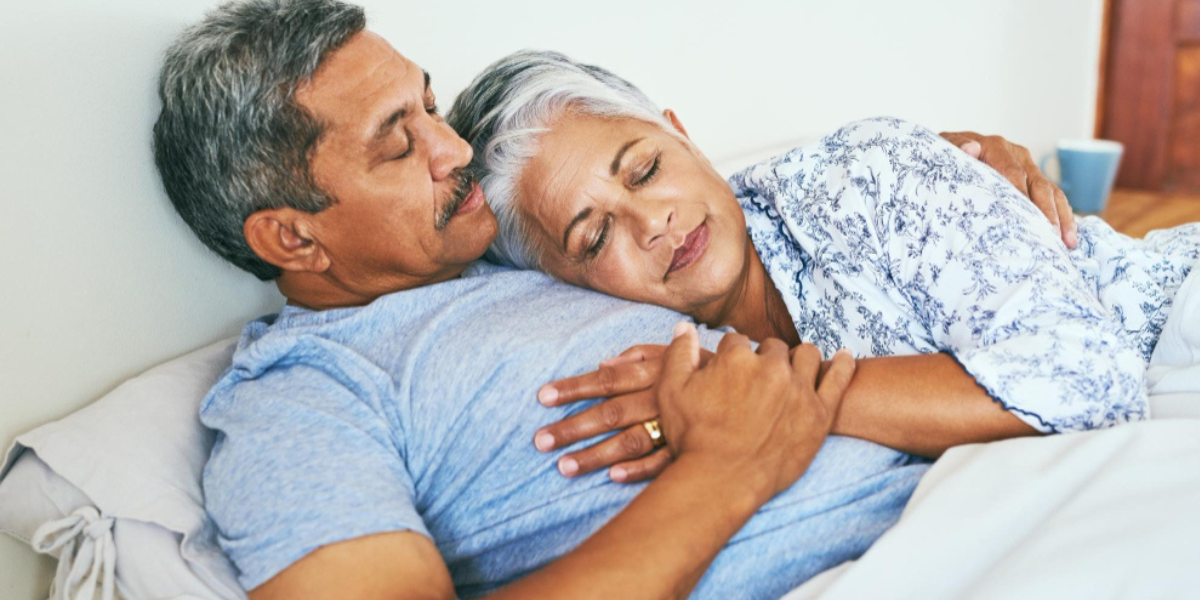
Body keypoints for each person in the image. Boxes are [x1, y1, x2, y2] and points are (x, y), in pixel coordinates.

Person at [152, 2, 1082, 598]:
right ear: (292, 239)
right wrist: (729, 467)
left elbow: (682, 202)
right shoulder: (303, 398)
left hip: (980, 494)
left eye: (430, 107)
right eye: (400, 144)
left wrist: (939, 173)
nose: (454, 150)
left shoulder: (497, 241)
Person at [446, 50, 1200, 480]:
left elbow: (1087, 381)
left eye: (645, 169)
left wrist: (774, 395)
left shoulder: (863, 174)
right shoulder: (629, 334)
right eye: (592, 238)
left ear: (683, 136)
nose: (654, 223)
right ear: (561, 285)